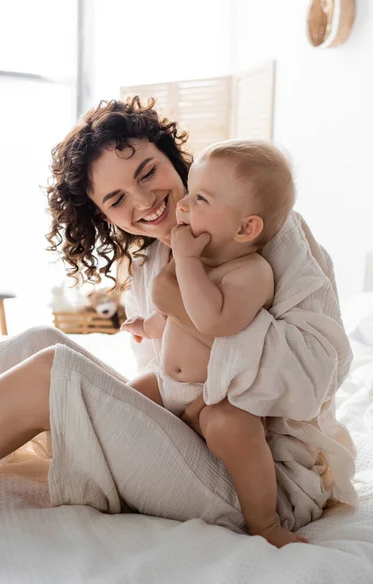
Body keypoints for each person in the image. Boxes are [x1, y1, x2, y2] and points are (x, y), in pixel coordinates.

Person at [0, 98, 357, 539]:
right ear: (104, 216)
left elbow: (317, 372)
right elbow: (171, 381)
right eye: (116, 199)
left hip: (260, 477)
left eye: (147, 172)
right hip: (189, 439)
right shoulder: (149, 264)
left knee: (53, 374)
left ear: (172, 157)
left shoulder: (264, 232)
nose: (144, 200)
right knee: (38, 341)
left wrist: (181, 305)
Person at [121, 139, 306, 547]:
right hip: (167, 383)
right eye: (189, 192)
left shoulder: (251, 272)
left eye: (200, 198)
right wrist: (149, 326)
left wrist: (184, 262)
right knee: (122, 400)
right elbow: (174, 317)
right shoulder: (199, 262)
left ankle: (265, 523)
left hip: (215, 396)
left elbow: (213, 321)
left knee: (231, 430)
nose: (183, 206)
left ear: (246, 228)